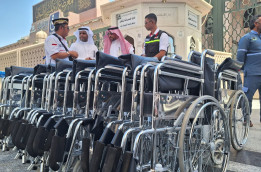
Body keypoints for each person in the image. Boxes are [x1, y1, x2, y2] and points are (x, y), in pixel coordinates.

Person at [237, 14, 261, 127]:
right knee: (248, 98)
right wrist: (243, 69)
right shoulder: (247, 38)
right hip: (252, 73)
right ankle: (247, 119)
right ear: (256, 23)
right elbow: (240, 56)